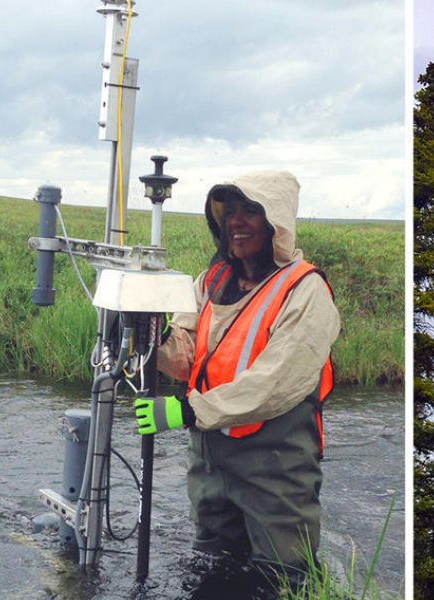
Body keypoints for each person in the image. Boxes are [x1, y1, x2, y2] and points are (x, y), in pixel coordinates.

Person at [132, 170, 340, 587]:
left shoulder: (305, 290)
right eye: (229, 212)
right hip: (210, 460)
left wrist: (188, 410)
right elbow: (185, 356)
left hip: (275, 465)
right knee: (216, 569)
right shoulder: (211, 282)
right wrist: (148, 333)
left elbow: (275, 383)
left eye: (251, 211)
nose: (236, 222)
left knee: (284, 578)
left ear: (275, 223)